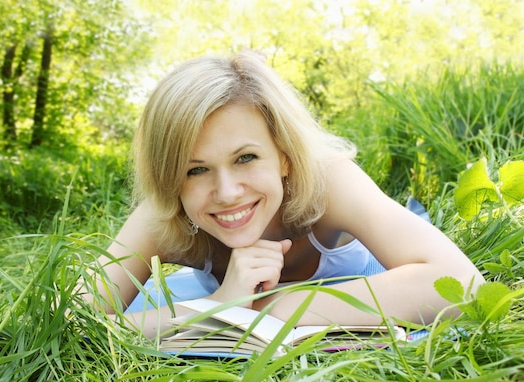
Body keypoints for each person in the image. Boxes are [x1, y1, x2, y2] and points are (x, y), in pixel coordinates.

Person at [81, 51, 484, 339]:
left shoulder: (331, 181)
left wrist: (268, 309)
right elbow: (68, 322)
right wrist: (219, 307)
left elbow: (463, 285)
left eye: (246, 158)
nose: (226, 192)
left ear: (285, 157)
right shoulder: (164, 216)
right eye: (196, 169)